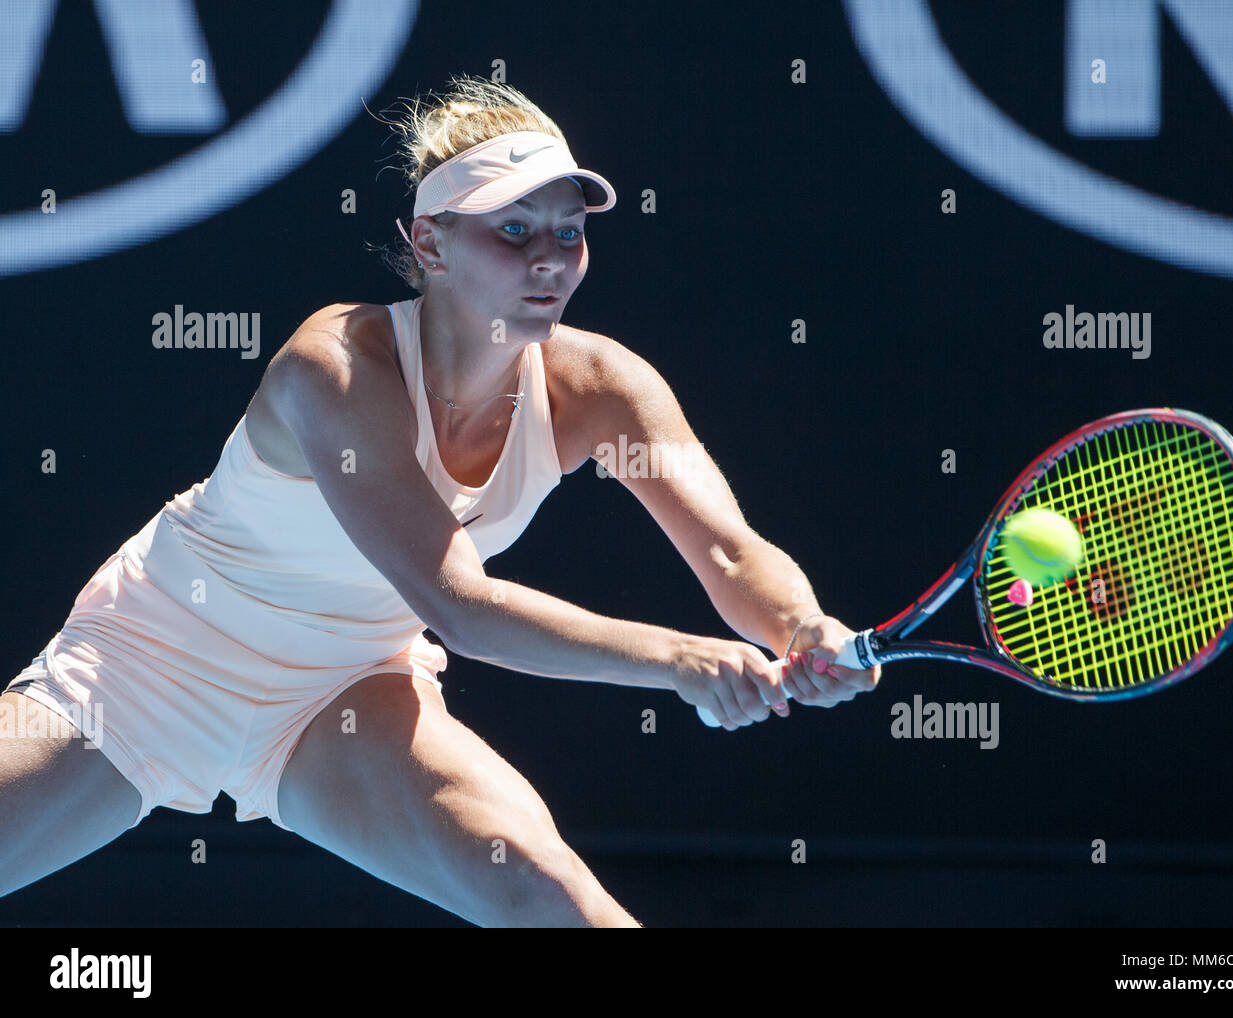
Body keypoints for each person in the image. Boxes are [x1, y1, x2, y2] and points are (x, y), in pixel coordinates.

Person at [0, 75, 881, 927]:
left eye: (569, 232)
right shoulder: (334, 365)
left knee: (548, 896)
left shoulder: (603, 388)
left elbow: (730, 551)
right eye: (512, 229)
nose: (550, 259)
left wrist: (801, 626)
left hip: (349, 686)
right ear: (430, 245)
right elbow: (460, 605)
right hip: (151, 663)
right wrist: (679, 661)